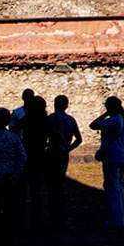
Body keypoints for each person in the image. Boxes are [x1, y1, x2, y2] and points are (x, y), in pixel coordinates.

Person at [0, 107, 27, 242]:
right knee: (9, 206)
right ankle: (7, 234)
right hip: (9, 175)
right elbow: (22, 156)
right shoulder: (13, 137)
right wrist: (16, 174)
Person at [90, 96, 124, 229]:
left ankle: (116, 220)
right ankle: (120, 218)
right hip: (121, 156)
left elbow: (93, 125)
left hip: (112, 157)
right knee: (119, 188)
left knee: (112, 188)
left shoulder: (113, 120)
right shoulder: (122, 120)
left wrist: (105, 114)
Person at [44, 95, 82, 224]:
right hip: (63, 153)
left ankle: (52, 211)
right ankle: (59, 211)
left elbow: (43, 137)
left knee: (50, 184)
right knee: (60, 182)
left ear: (55, 104)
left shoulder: (50, 119)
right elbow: (79, 139)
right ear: (66, 105)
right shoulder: (70, 120)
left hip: (51, 153)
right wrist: (68, 148)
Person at [20, 94, 50, 229]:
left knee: (26, 188)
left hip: (27, 153)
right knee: (38, 188)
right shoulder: (46, 121)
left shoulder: (26, 120)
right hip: (40, 154)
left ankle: (26, 218)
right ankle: (38, 218)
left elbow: (15, 127)